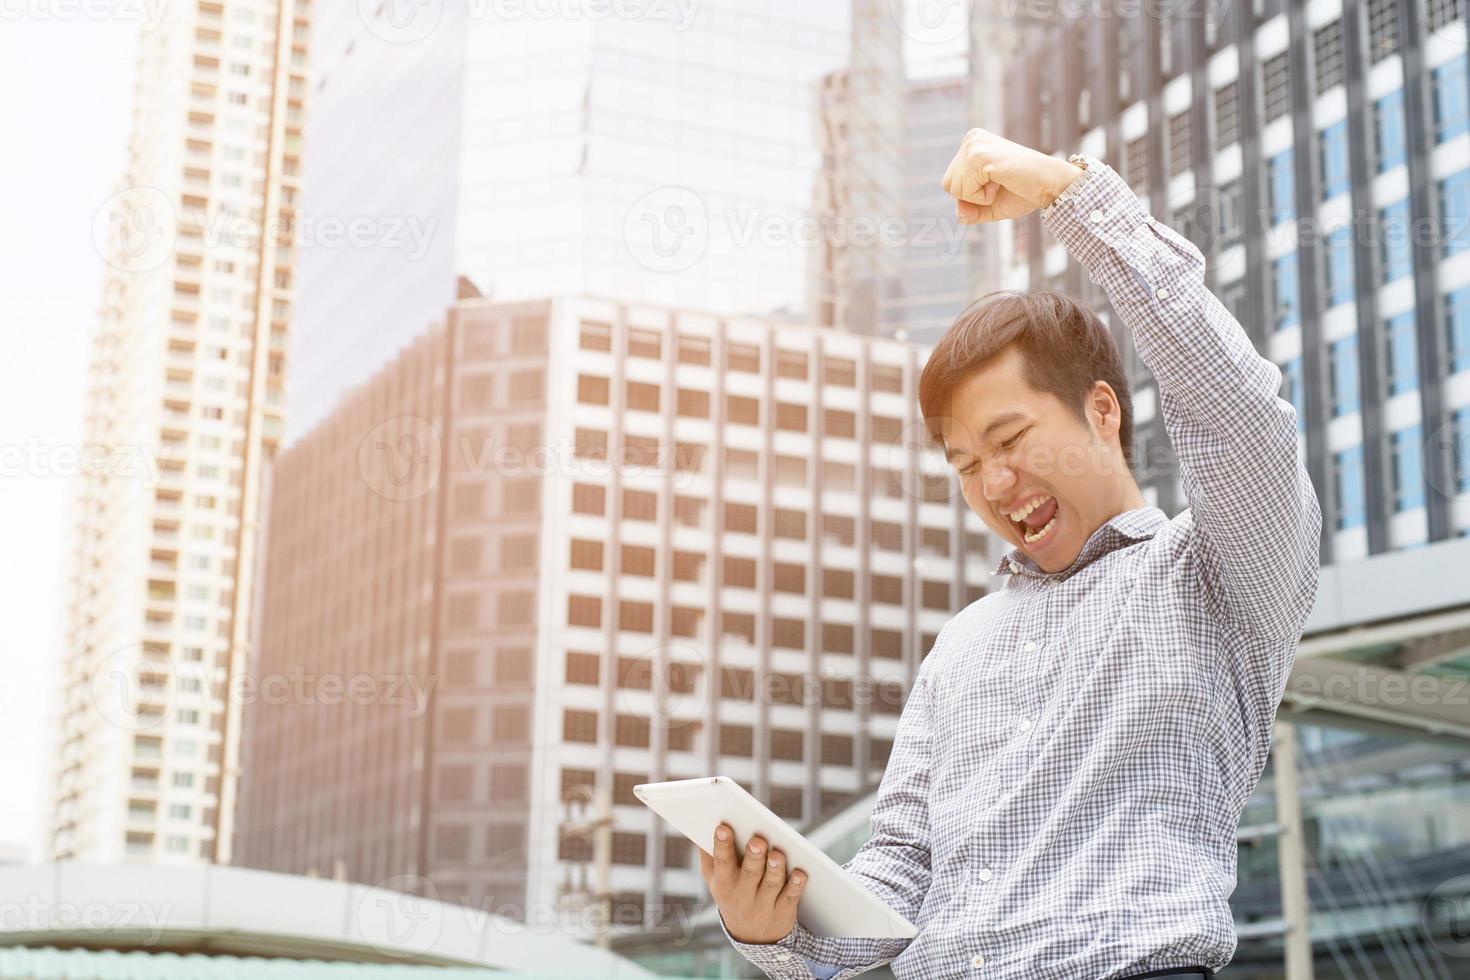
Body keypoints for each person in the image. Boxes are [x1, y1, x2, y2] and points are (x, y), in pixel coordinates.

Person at [698, 129, 1322, 979]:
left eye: (1010, 438)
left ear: (1103, 412)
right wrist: (773, 928)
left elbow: (1239, 415)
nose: (994, 484)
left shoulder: (1214, 574)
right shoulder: (960, 644)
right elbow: (900, 879)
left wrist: (1073, 198)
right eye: (965, 464)